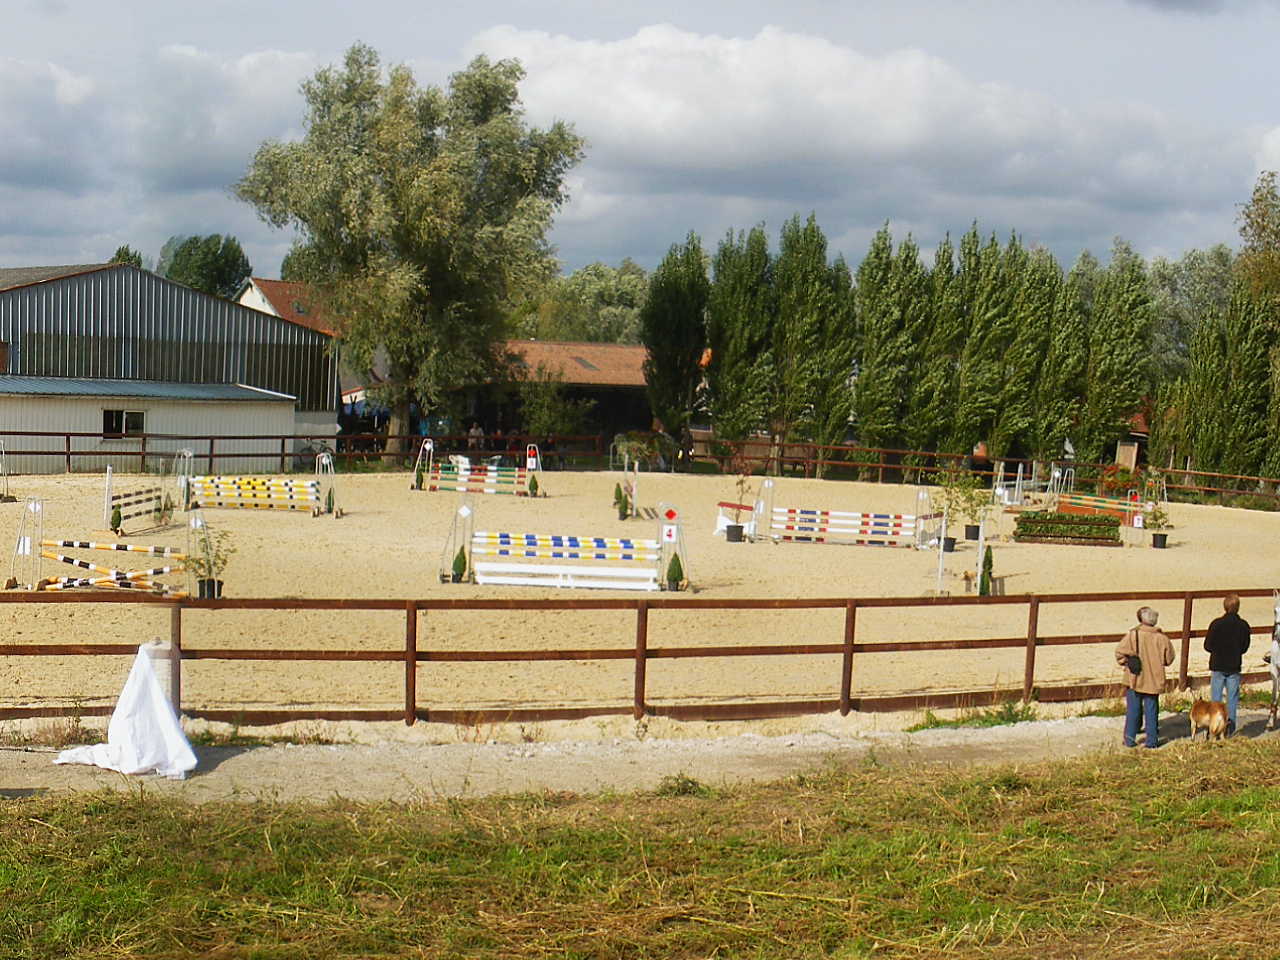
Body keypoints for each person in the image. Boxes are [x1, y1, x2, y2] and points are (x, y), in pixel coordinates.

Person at [1115, 606, 1175, 749]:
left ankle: (1129, 739)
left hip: (1135, 678)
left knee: (1133, 710)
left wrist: (1128, 662)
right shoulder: (1162, 638)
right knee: (1152, 711)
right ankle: (1151, 741)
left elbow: (1119, 652)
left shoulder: (1133, 635)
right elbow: (1169, 658)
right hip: (1154, 680)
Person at [1204, 593, 1250, 735]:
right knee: (1232, 700)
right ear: (1238, 607)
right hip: (1234, 666)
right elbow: (1245, 647)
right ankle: (1229, 729)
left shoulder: (1216, 624)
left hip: (1218, 665)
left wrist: (1217, 651)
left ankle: (1214, 728)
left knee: (1216, 700)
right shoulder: (1243, 626)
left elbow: (1207, 645)